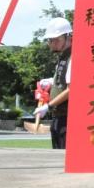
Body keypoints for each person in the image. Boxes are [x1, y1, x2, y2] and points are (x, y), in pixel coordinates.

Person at [32, 17, 72, 149]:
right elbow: (62, 80)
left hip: (67, 118)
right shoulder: (63, 57)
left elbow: (71, 89)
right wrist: (51, 82)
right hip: (58, 116)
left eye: (56, 40)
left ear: (68, 37)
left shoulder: (73, 56)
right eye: (50, 40)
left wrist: (48, 106)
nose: (52, 43)